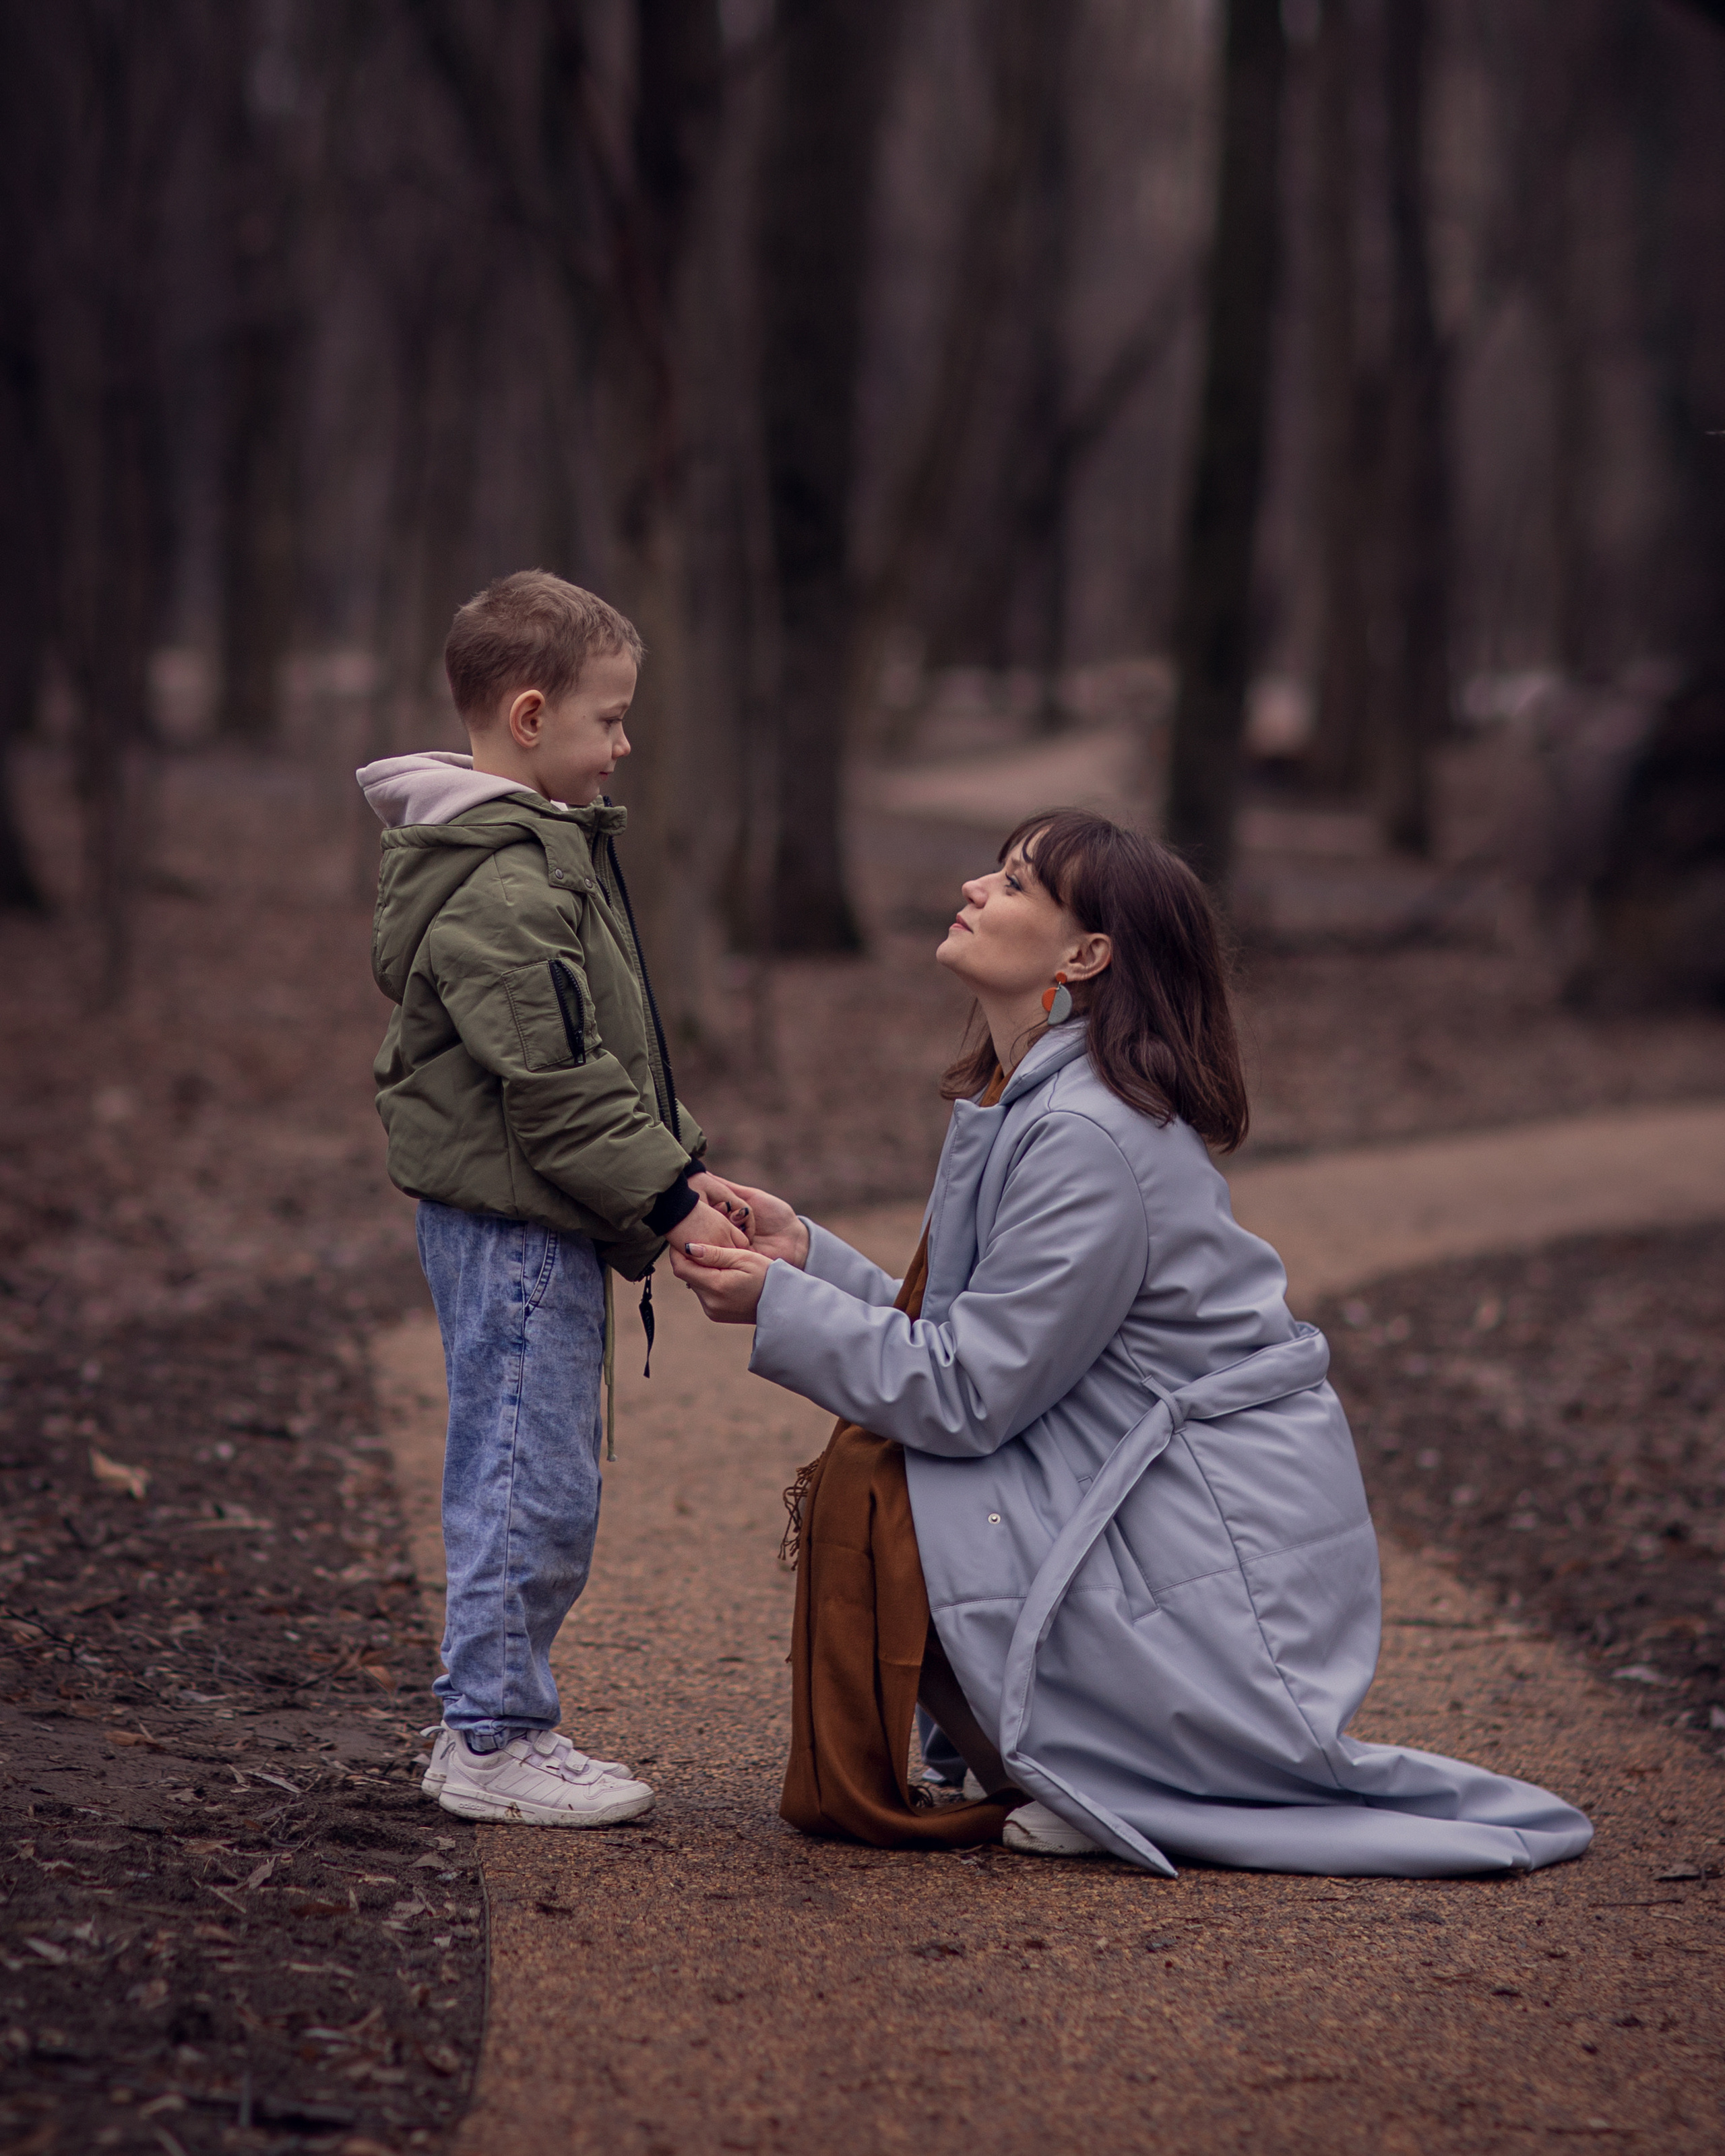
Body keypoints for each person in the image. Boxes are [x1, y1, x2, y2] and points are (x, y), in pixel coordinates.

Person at [670, 811, 1594, 1877]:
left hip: (1206, 1547)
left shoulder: (1087, 1136)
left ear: (1085, 956)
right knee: (883, 1465)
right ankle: (1079, 1752)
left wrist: (779, 1307)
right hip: (1150, 1494)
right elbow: (993, 1339)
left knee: (886, 1476)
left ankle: (1113, 1765)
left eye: (1016, 885)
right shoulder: (1043, 1104)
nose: (976, 887)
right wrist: (807, 1263)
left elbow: (971, 1393)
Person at [359, 569, 750, 1827]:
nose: (626, 744)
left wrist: (686, 1170)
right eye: (610, 719)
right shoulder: (504, 883)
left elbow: (609, 1057)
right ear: (530, 719)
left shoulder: (539, 856)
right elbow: (559, 1092)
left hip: (539, 1211)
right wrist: (673, 1208)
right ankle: (493, 1737)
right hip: (519, 1225)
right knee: (529, 1476)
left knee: (533, 1468)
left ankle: (488, 1720)